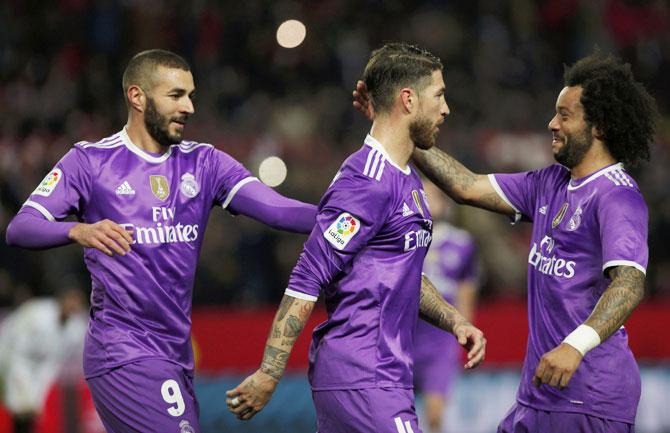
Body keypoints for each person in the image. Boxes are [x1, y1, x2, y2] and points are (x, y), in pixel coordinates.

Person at [5, 49, 318, 433]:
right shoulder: (89, 163)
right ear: (138, 97)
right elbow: (21, 227)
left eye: (190, 95)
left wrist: (356, 219)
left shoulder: (205, 163)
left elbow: (280, 210)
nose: (188, 106)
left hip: (176, 354)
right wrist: (77, 230)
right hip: (123, 351)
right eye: (175, 95)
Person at [354, 50, 657, 432]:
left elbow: (629, 283)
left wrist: (574, 345)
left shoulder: (618, 196)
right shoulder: (549, 183)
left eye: (565, 115)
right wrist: (395, 129)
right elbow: (466, 185)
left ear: (599, 127)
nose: (552, 123)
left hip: (591, 396)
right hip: (538, 393)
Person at [225, 42, 486, 433]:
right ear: (408, 99)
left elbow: (403, 273)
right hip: (362, 375)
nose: (446, 108)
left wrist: (453, 320)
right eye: (439, 95)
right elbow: (307, 277)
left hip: (383, 375)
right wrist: (269, 372)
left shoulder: (407, 178)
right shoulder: (366, 182)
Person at [414, 181, 479, 433]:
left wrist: (465, 333)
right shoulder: (403, 237)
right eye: (424, 198)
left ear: (444, 203)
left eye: (434, 198)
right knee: (395, 416)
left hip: (439, 343)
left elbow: (466, 289)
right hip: (402, 338)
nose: (430, 205)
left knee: (434, 416)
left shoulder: (462, 243)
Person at [0, 287, 87, 433]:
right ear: (63, 299)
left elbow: (57, 358)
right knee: (19, 405)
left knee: (34, 408)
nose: (73, 306)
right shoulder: (37, 311)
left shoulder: (75, 327)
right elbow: (12, 332)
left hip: (44, 366)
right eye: (71, 300)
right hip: (20, 358)